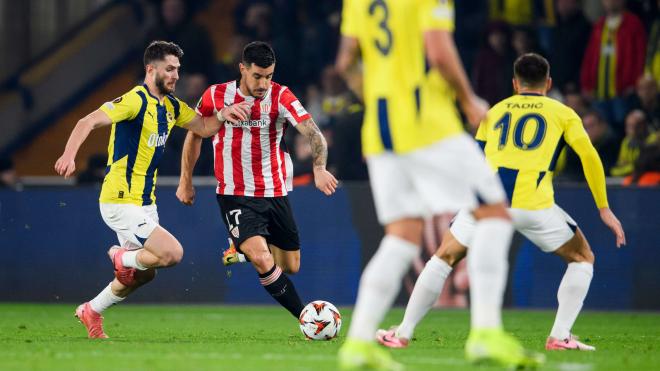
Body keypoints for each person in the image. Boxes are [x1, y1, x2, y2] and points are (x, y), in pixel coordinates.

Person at [335, 1, 541, 369]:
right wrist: (468, 101)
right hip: (427, 120)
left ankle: (358, 344)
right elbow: (438, 49)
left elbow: (346, 61)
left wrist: (382, 102)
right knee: (494, 212)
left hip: (381, 131)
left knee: (402, 236)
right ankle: (485, 333)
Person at [375, 53, 626, 353]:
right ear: (548, 83)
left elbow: (474, 160)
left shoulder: (494, 111)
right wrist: (604, 207)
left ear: (514, 84)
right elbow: (589, 156)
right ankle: (559, 335)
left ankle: (402, 332)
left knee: (442, 258)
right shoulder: (563, 112)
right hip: (533, 207)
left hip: (487, 205)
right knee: (582, 258)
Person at [54, 41, 223, 339]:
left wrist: (226, 113)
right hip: (119, 200)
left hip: (145, 204)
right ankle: (121, 258)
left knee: (145, 273)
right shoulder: (135, 100)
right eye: (170, 69)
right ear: (151, 69)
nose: (175, 76)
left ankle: (91, 310)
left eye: (178, 70)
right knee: (172, 253)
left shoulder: (170, 106)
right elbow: (87, 121)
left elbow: (205, 128)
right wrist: (69, 154)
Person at [176, 41, 337, 320]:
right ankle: (308, 318)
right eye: (258, 76)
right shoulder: (216, 96)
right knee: (263, 259)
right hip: (234, 193)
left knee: (291, 265)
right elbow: (195, 134)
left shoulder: (281, 96)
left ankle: (240, 249)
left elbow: (314, 134)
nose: (264, 83)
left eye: (269, 76)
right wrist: (185, 180)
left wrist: (319, 167)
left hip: (275, 191)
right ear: (242, 69)